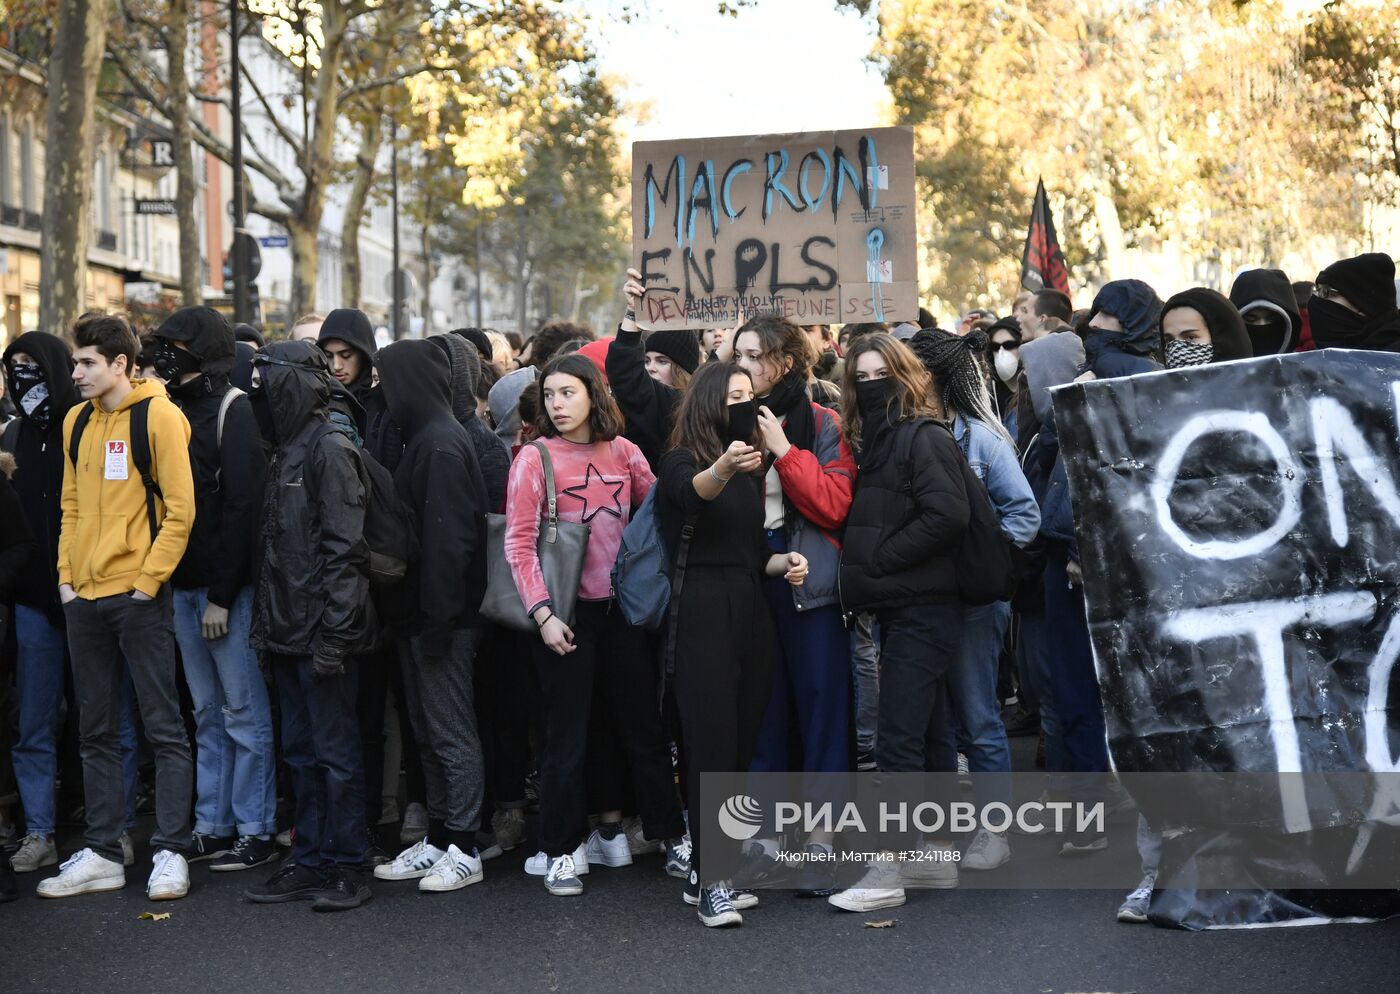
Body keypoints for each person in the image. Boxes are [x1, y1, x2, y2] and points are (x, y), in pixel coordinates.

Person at [504, 354, 687, 897]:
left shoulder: (624, 452)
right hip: (564, 614)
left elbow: (660, 512)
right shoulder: (534, 459)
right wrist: (543, 616)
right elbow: (517, 546)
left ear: (593, 395)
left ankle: (671, 836)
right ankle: (560, 849)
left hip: (625, 610)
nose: (558, 405)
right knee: (566, 736)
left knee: (642, 730)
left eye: (568, 393)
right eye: (550, 394)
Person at [39, 313, 196, 902]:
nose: (75, 373)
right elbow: (70, 507)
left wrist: (148, 583)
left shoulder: (160, 415)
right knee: (95, 730)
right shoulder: (77, 420)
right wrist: (66, 580)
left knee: (164, 729)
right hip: (84, 596)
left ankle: (172, 851)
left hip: (138, 595)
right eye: (76, 362)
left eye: (86, 363)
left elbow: (181, 511)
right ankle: (105, 850)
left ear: (121, 364)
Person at [656, 361, 809, 927]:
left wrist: (784, 562)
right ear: (707, 403)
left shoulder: (751, 470)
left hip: (749, 609)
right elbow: (690, 497)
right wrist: (723, 465)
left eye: (750, 395)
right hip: (698, 612)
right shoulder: (683, 459)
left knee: (741, 743)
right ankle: (711, 875)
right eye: (733, 397)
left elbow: (747, 553)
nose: (743, 405)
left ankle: (709, 868)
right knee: (711, 747)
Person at [827, 332, 971, 913]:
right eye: (858, 378)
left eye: (879, 373)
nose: (869, 385)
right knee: (931, 731)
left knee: (898, 739)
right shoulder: (882, 442)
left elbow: (948, 514)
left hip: (924, 606)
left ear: (907, 376)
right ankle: (934, 859)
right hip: (906, 604)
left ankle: (886, 871)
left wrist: (882, 559)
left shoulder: (919, 437)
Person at [243, 340, 376, 912]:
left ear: (290, 384)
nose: (256, 392)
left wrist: (335, 639)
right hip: (288, 632)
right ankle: (309, 859)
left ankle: (346, 864)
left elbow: (345, 553)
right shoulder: (287, 446)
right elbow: (276, 550)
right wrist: (266, 633)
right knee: (300, 753)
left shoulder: (329, 447)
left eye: (265, 380)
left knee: (336, 755)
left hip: (324, 637)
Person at [148, 307, 277, 871]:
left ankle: (255, 826)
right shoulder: (167, 409)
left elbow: (245, 511)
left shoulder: (235, 411)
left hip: (225, 593)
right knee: (205, 711)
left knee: (243, 712)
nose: (164, 354)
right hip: (182, 588)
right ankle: (213, 824)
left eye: (175, 344)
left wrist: (223, 595)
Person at [910, 329, 1039, 872]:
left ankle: (994, 831)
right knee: (929, 723)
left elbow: (1025, 516)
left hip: (972, 605)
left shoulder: (983, 441)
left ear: (934, 378)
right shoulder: (896, 436)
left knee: (979, 717)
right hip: (916, 603)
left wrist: (982, 564)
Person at [371, 339, 492, 895]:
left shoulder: (441, 444)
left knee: (450, 732)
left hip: (442, 616)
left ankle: (465, 845)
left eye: (385, 381)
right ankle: (444, 837)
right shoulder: (426, 436)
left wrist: (440, 621)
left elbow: (451, 543)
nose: (380, 393)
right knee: (428, 732)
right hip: (421, 614)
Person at [733, 316, 855, 860]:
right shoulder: (722, 419)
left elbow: (833, 503)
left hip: (810, 583)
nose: (742, 365)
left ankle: (822, 836)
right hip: (751, 578)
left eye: (753, 355)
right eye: (736, 354)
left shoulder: (824, 423)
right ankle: (765, 833)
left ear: (783, 361)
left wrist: (783, 449)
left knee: (821, 704)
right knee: (762, 706)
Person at [607, 268, 703, 471]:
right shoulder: (642, 404)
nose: (650, 368)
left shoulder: (703, 407)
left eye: (662, 361)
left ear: (683, 370)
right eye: (646, 360)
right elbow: (624, 370)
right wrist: (633, 311)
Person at [1309, 252, 1400, 352]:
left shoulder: (1394, 359)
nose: (1316, 299)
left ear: (1364, 304)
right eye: (1317, 290)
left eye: (1326, 292)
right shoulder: (1321, 354)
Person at [1081, 280, 1164, 378]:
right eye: (1096, 313)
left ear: (1135, 322)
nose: (1092, 323)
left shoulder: (1109, 366)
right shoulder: (1154, 370)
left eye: (1106, 313)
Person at [1158, 288, 1252, 368]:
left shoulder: (1257, 387)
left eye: (1190, 337)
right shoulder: (1159, 388)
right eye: (1169, 341)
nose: (1176, 350)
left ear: (1222, 338)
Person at [1227, 269, 1301, 357]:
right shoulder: (1220, 368)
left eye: (1272, 319)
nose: (1262, 326)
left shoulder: (1302, 368)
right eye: (1250, 320)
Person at [985, 317, 1023, 433]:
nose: (1001, 352)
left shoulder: (1032, 385)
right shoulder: (988, 391)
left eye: (1009, 345)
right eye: (995, 347)